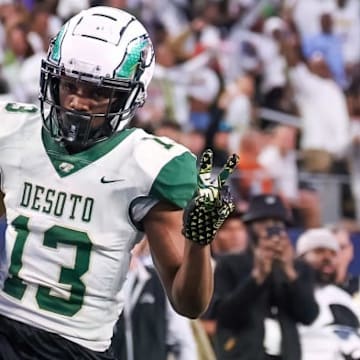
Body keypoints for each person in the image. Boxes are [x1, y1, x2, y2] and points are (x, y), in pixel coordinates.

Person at [0, 6, 239, 360]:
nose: (78, 101)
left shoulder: (148, 165)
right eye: (69, 84)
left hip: (75, 347)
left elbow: (189, 304)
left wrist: (198, 244)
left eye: (97, 92)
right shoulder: (13, 131)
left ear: (130, 94)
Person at [207, 194, 319, 360]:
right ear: (250, 226)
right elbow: (224, 316)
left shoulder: (298, 268)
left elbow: (309, 315)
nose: (270, 227)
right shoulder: (230, 264)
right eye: (263, 222)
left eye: (277, 223)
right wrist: (256, 277)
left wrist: (289, 272)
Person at [296, 228, 360, 360]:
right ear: (301, 257)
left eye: (333, 253)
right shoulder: (289, 294)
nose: (327, 258)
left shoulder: (345, 299)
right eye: (319, 251)